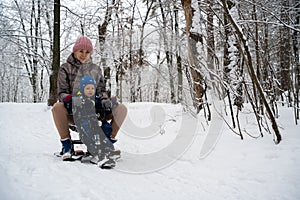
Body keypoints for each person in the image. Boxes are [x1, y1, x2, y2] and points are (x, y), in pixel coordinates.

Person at [52, 36, 127, 161]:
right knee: (57, 107)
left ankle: (106, 145)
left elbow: (101, 90)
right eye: (81, 51)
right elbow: (62, 92)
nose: (84, 55)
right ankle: (67, 146)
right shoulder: (65, 68)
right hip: (74, 111)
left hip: (95, 110)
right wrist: (72, 99)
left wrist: (105, 100)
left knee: (121, 109)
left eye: (87, 52)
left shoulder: (95, 70)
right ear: (75, 51)